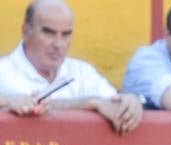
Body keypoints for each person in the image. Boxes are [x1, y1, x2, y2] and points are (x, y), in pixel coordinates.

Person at [0, 0, 142, 134]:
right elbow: (33, 109)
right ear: (26, 31)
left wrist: (129, 103)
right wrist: (89, 103)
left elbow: (112, 105)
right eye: (49, 33)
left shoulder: (81, 72)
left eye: (66, 34)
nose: (58, 44)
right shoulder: (3, 72)